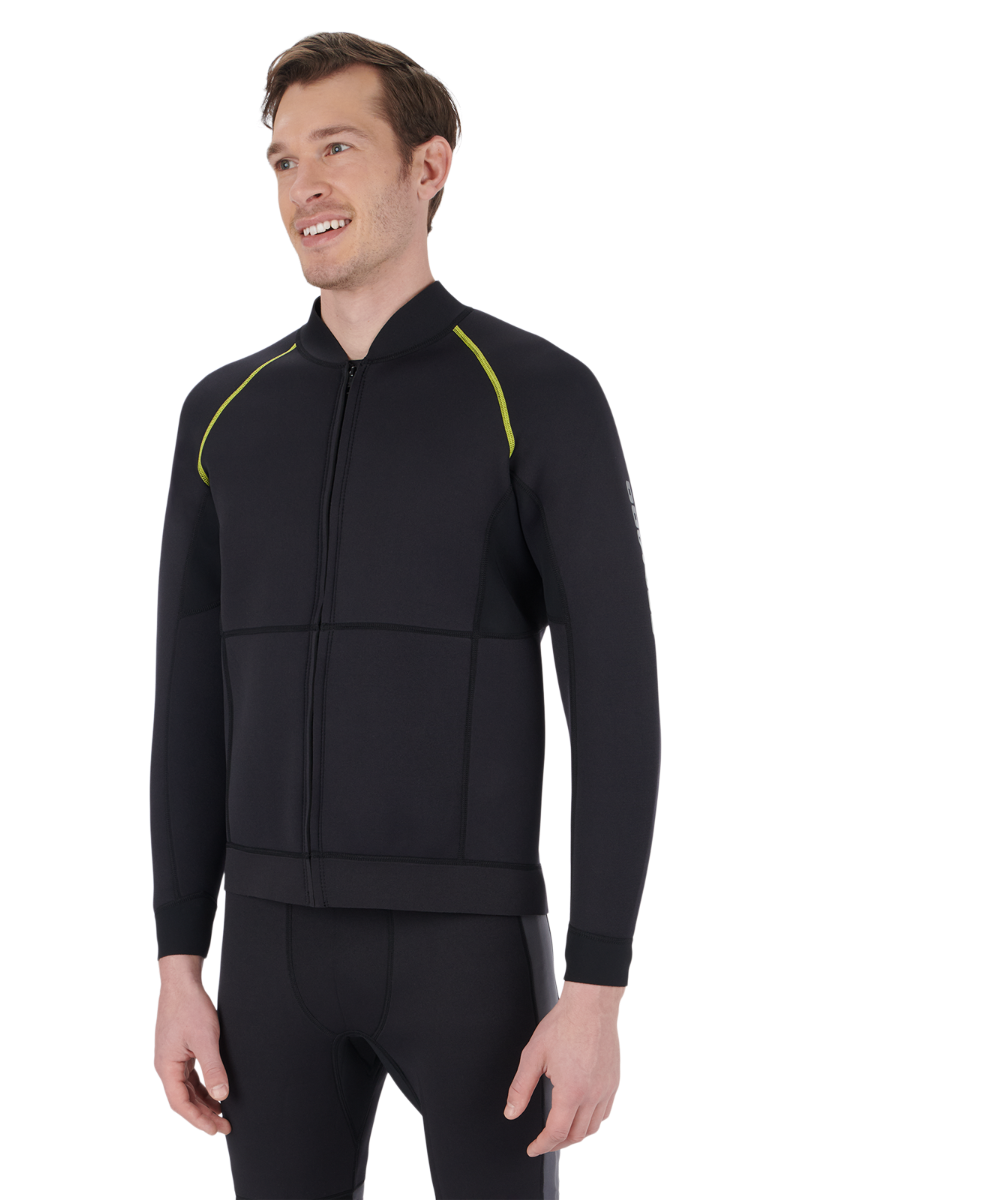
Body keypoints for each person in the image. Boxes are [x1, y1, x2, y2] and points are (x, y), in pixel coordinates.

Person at [150, 30, 661, 1199]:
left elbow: (618, 703)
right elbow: (188, 701)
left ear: (429, 166)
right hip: (270, 956)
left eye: (338, 147)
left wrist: (597, 988)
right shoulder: (222, 412)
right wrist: (179, 961)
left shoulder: (537, 392)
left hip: (468, 953)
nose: (304, 186)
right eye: (284, 160)